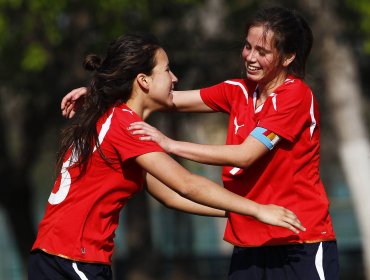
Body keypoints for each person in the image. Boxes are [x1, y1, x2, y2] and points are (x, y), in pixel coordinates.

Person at [61, 7, 338, 280]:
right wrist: (102, 91)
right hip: (250, 244)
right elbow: (165, 97)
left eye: (262, 52)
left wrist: (170, 144)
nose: (250, 57)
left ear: (288, 57)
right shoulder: (238, 90)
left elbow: (244, 155)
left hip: (300, 241)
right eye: (247, 46)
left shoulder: (295, 96)